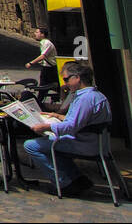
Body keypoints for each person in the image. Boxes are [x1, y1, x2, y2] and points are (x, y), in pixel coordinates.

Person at [23, 62, 111, 195]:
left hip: (85, 144)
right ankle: (77, 178)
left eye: (66, 79)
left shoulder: (85, 99)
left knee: (31, 145)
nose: (65, 83)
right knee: (50, 141)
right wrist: (57, 116)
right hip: (93, 141)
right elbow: (80, 121)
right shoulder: (94, 95)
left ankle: (63, 182)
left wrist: (47, 126)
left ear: (77, 78)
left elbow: (72, 126)